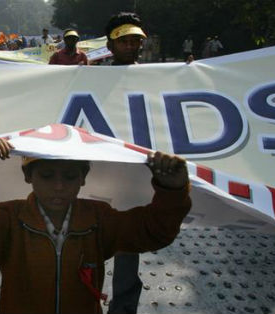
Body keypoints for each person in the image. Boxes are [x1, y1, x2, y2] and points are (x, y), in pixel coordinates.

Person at [0, 138, 191, 314]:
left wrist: (172, 190)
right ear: (28, 176)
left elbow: (153, 231)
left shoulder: (99, 219)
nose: (59, 186)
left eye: (70, 176)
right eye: (47, 176)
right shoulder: (9, 218)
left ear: (83, 178)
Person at [104, 11, 151, 313]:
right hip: (99, 169)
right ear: (110, 46)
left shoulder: (155, 76)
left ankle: (123, 308)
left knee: (127, 248)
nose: (131, 47)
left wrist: (190, 73)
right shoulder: (89, 76)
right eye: (125, 41)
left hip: (133, 175)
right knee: (86, 238)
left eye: (136, 41)